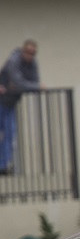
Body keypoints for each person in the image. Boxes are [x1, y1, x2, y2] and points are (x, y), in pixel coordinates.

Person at [0, 40, 42, 175]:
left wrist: (26, 86)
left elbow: (34, 81)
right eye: (28, 52)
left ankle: (3, 166)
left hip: (9, 103)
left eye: (33, 53)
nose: (31, 55)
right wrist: (28, 86)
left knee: (10, 134)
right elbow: (20, 83)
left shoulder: (32, 64)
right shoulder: (14, 61)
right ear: (23, 51)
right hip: (2, 102)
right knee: (9, 133)